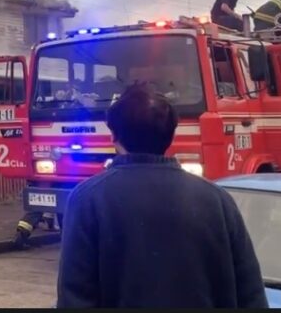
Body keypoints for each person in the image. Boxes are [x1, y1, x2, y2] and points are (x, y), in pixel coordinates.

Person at [56, 84, 267, 308]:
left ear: (114, 135)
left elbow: (75, 297)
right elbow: (250, 294)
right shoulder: (218, 200)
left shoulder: (87, 200)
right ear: (171, 135)